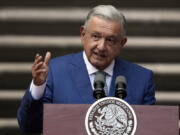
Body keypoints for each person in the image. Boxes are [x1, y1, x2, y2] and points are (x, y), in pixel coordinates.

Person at [17, 5, 156, 133]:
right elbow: (29, 127)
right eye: (96, 36)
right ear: (83, 34)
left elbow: (151, 129)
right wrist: (37, 87)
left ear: (122, 43)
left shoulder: (142, 79)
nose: (101, 46)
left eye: (110, 40)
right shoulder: (55, 71)